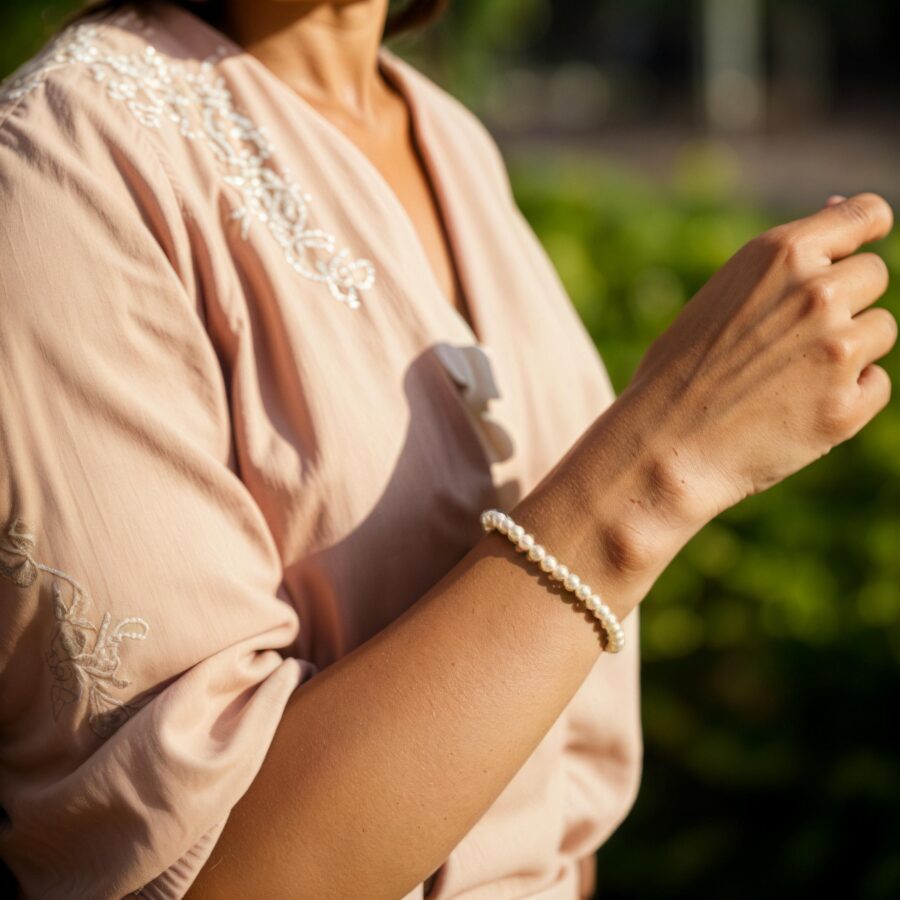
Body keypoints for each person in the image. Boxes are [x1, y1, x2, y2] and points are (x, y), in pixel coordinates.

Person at [0, 0, 894, 897]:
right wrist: (661, 461)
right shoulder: (63, 167)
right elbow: (199, 869)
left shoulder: (450, 137)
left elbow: (554, 780)